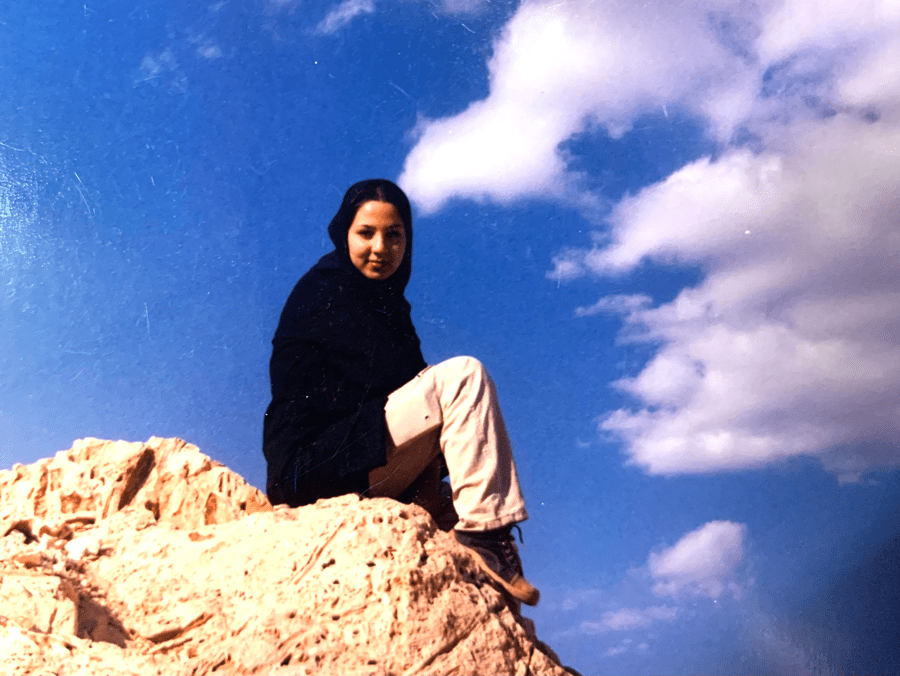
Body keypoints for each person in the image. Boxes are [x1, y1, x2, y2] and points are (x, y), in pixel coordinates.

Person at [263, 178, 538, 606]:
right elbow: (393, 392)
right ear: (343, 235)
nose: (380, 247)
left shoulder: (389, 307)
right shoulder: (326, 291)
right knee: (463, 376)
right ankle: (487, 531)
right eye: (366, 233)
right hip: (311, 471)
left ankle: (478, 543)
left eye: (394, 235)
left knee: (457, 512)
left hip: (361, 461)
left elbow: (408, 403)